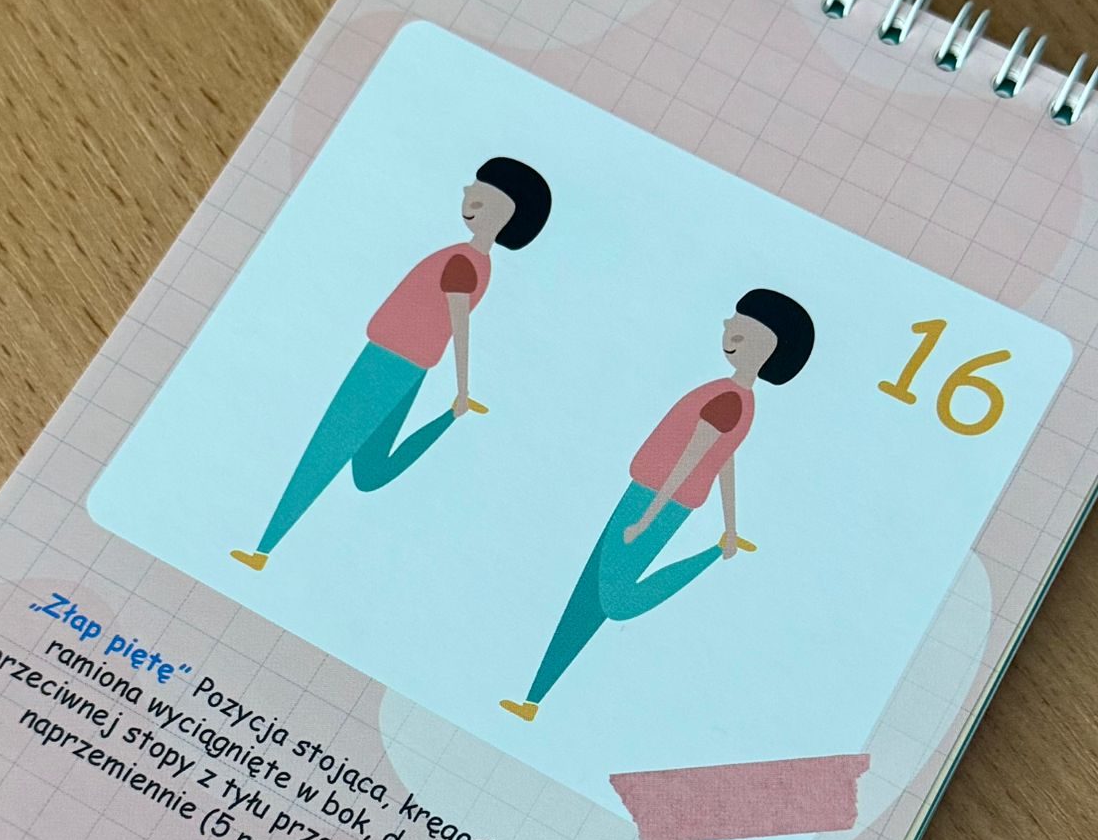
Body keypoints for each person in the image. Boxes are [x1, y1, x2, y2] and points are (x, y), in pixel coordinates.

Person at [500, 288, 815, 721]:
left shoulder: (729, 399)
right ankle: (533, 699)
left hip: (657, 502)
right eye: (731, 325)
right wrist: (731, 525)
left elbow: (693, 461)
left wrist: (647, 520)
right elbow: (723, 461)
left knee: (613, 602)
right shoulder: (736, 398)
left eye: (741, 333)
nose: (727, 333)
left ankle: (705, 558)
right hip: (647, 496)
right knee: (587, 598)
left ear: (766, 351)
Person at [231, 157, 552, 571]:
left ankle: (262, 550)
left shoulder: (464, 262)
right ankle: (448, 419)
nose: (466, 197)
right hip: (404, 367)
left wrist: (462, 387)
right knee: (368, 472)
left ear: (503, 216)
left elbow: (459, 326)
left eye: (479, 197)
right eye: (470, 190)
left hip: (387, 364)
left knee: (326, 448)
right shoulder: (473, 261)